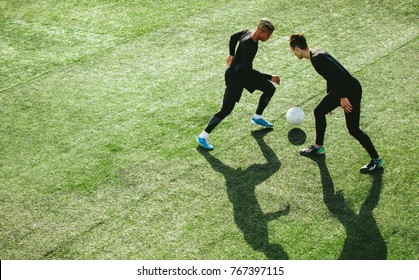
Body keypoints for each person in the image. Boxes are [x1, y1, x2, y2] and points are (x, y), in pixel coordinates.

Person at [289, 33, 382, 173]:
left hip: (350, 91)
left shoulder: (317, 58)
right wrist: (329, 97)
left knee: (353, 129)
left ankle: (376, 160)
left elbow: (340, 75)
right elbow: (330, 76)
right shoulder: (316, 54)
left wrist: (343, 97)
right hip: (340, 89)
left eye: (292, 51)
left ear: (296, 49)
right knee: (319, 111)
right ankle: (318, 146)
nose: (294, 54)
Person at [197, 18, 280, 151]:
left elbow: (233, 37)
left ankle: (257, 117)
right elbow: (249, 71)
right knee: (226, 109)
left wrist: (231, 54)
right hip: (235, 78)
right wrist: (270, 77)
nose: (268, 38)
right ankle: (203, 136)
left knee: (269, 89)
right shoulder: (249, 45)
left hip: (244, 75)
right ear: (260, 31)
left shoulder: (248, 33)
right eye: (268, 35)